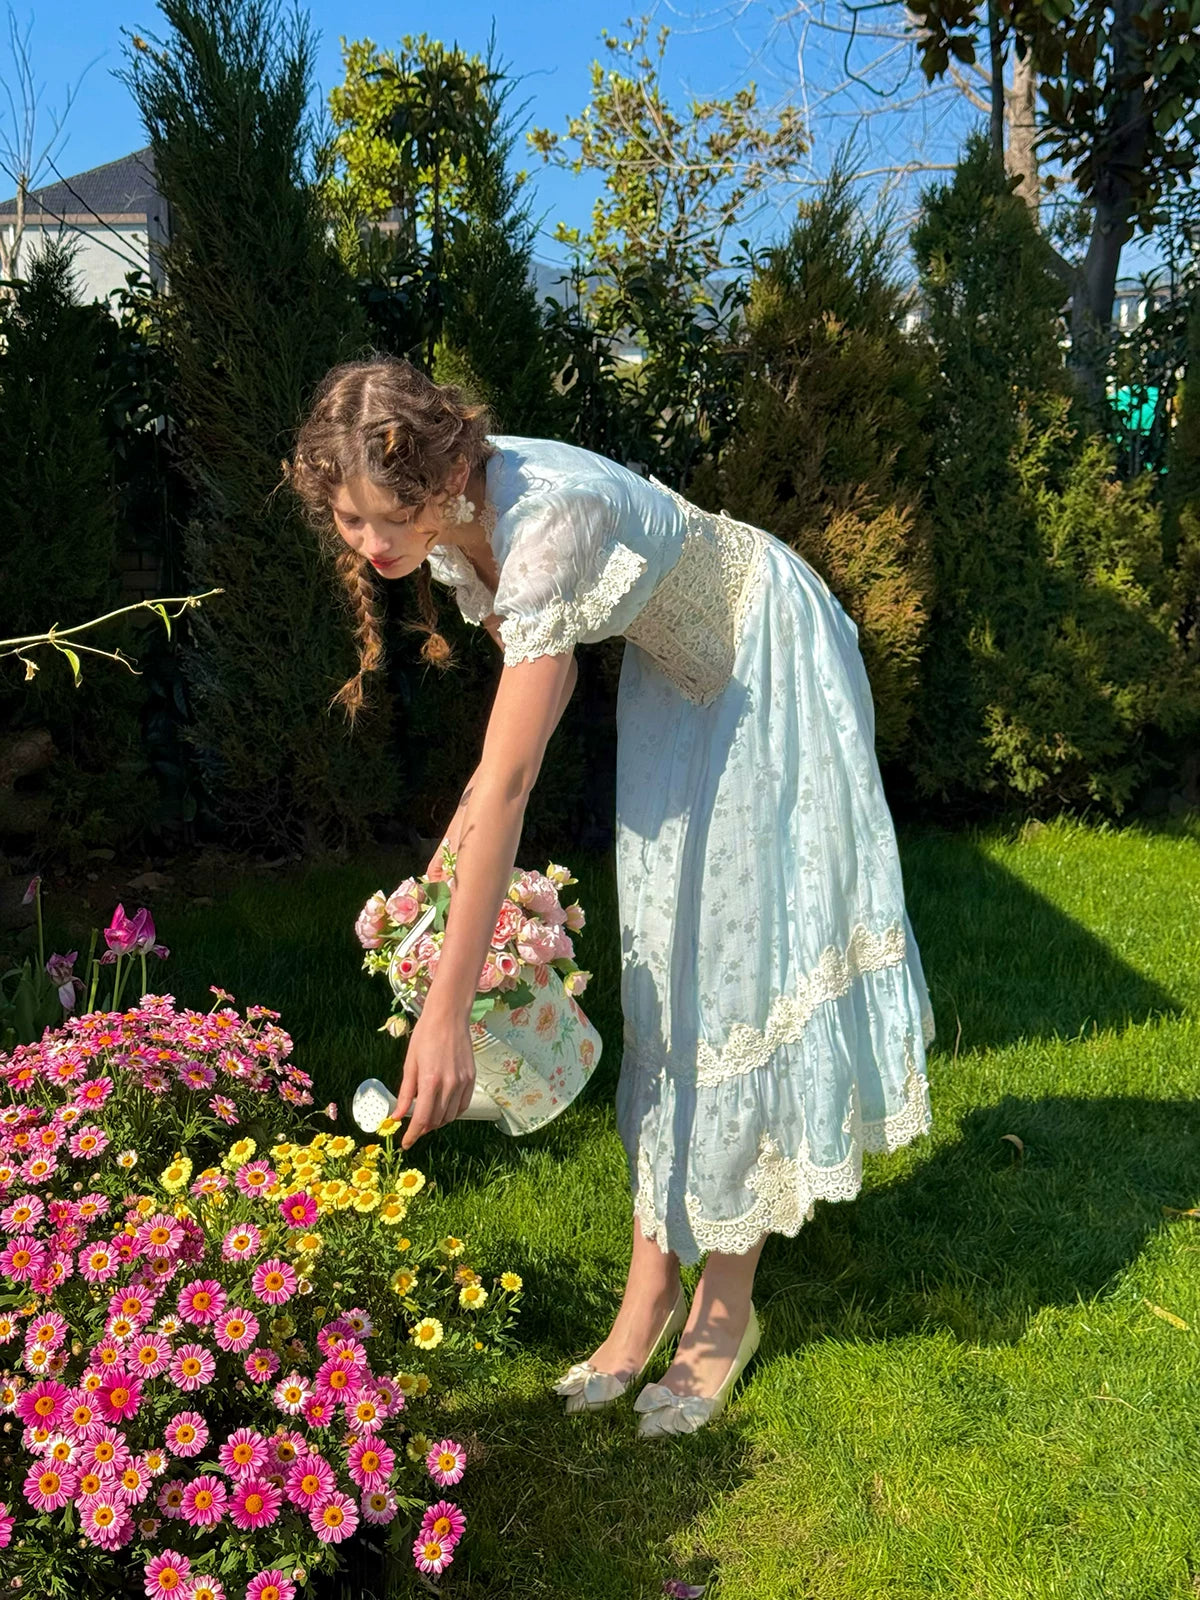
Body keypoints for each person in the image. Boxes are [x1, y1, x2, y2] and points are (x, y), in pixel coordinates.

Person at [283, 353, 936, 1440]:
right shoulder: (457, 519)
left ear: (439, 471)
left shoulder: (545, 521)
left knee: (734, 972)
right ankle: (648, 1297)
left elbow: (516, 778)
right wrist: (454, 860)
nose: (369, 543)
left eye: (384, 516)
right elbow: (527, 723)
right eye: (349, 520)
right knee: (664, 971)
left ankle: (726, 1307)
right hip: (677, 680)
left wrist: (447, 1012)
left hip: (765, 659)